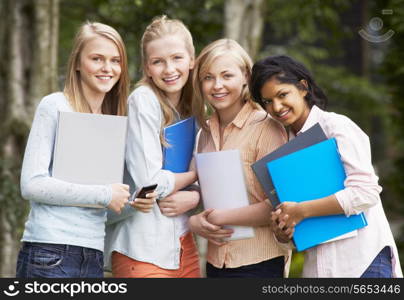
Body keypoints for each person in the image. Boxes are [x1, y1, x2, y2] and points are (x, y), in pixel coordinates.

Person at [249, 54, 403, 278]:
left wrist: (301, 211)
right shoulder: (284, 149)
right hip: (320, 270)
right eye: (268, 102)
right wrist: (283, 230)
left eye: (282, 95)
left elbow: (365, 193)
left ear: (303, 87)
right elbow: (295, 231)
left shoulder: (337, 127)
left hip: (362, 264)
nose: (277, 106)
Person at [16, 21, 134, 278]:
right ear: (78, 63)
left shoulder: (114, 122)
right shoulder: (55, 106)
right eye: (97, 58)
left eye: (116, 61)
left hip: (93, 255)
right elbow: (32, 185)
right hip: (49, 253)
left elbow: (102, 205)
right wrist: (105, 194)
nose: (107, 68)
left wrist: (133, 202)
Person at [104, 15, 203, 278]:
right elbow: (149, 183)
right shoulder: (143, 101)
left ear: (192, 60)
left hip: (183, 243)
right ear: (147, 68)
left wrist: (197, 195)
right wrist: (194, 175)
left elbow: (216, 170)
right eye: (158, 62)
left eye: (177, 58)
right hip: (142, 248)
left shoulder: (196, 105)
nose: (169, 69)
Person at [188, 39, 291, 278]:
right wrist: (195, 223)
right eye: (208, 77)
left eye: (226, 75)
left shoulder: (267, 128)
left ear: (245, 76)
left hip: (259, 263)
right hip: (215, 262)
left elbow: (280, 205)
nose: (217, 85)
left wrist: (219, 218)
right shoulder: (203, 133)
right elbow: (202, 192)